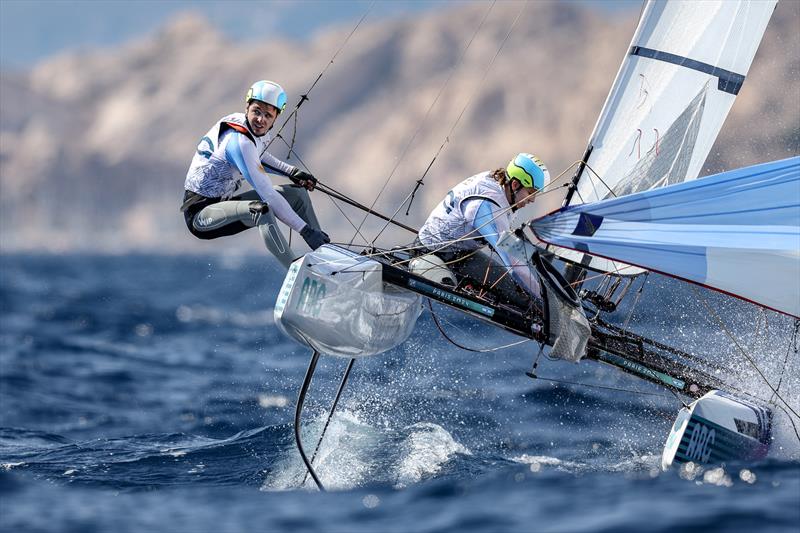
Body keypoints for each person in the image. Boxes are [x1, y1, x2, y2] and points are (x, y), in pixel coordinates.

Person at [181, 80, 330, 269]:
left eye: (268, 115)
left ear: (276, 118)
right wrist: (305, 231)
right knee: (261, 209)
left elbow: (258, 155)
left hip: (224, 203)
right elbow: (266, 192)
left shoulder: (252, 132)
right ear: (247, 108)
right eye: (256, 111)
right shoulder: (238, 142)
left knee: (298, 194)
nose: (261, 119)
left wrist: (292, 172)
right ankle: (295, 270)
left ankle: (326, 255)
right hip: (201, 216)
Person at [417, 153, 549, 306]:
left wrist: (540, 257)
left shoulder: (502, 188)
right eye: (531, 193)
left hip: (461, 254)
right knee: (524, 300)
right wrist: (545, 299)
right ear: (515, 185)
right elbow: (513, 264)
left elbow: (508, 242)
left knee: (523, 291)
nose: (533, 199)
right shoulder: (486, 206)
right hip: (433, 253)